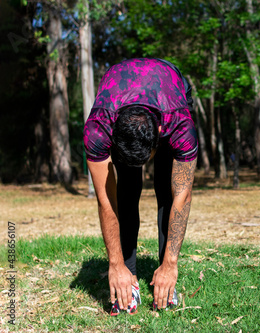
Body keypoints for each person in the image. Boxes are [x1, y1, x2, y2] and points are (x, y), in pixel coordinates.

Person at [83, 58, 198, 315]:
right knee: (126, 189)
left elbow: (184, 196)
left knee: (168, 191)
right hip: (117, 97)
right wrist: (115, 264)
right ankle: (128, 277)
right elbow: (106, 200)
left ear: (160, 131)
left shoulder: (179, 124)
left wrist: (171, 263)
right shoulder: (99, 127)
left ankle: (165, 277)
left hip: (170, 88)